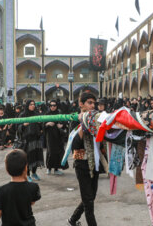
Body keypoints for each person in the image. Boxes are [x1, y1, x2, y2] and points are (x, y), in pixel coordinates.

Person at [68, 93, 99, 226]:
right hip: (81, 164)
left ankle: (73, 219)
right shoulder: (75, 120)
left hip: (94, 163)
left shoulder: (96, 119)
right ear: (81, 104)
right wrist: (83, 124)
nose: (92, 106)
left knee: (90, 197)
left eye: (93, 103)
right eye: (89, 103)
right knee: (88, 202)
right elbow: (73, 145)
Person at [0, 149, 41, 226]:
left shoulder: (1, 191)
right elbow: (31, 202)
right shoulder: (33, 187)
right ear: (26, 168)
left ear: (7, 170)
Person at [18, 100, 44, 182]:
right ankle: (27, 174)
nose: (33, 106)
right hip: (28, 140)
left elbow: (41, 126)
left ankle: (34, 173)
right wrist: (23, 125)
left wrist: (40, 124)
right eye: (31, 104)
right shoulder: (23, 115)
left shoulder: (36, 114)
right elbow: (17, 127)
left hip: (36, 138)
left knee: (36, 156)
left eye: (34, 104)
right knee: (29, 158)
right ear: (27, 105)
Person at [44, 100, 66, 175]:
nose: (53, 107)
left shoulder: (59, 113)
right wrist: (47, 124)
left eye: (54, 105)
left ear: (57, 106)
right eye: (51, 106)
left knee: (58, 152)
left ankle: (56, 169)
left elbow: (64, 122)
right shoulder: (47, 114)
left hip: (58, 135)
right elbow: (43, 125)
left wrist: (62, 125)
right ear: (49, 106)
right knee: (50, 151)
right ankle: (49, 168)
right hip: (50, 136)